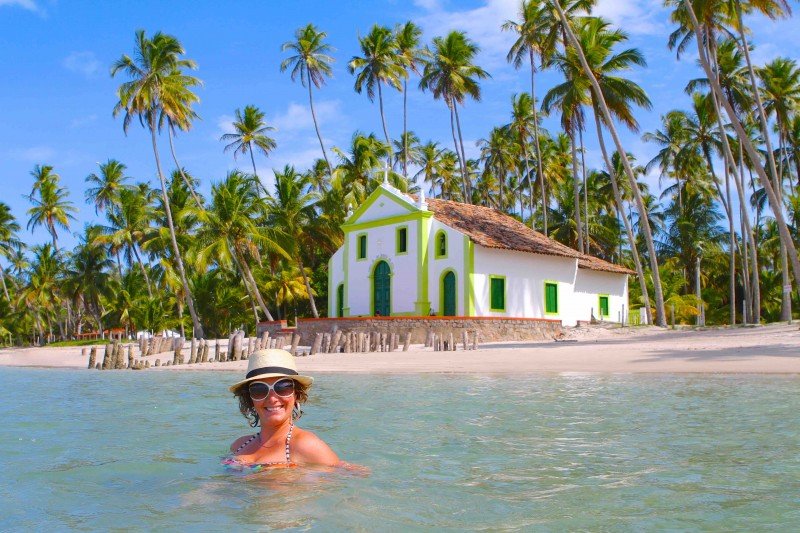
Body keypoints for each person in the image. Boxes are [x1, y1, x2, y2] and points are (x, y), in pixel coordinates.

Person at [225, 349, 340, 470]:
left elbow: (345, 475)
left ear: (296, 394)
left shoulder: (306, 445)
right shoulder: (239, 445)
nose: (272, 398)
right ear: (250, 399)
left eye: (283, 387)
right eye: (259, 390)